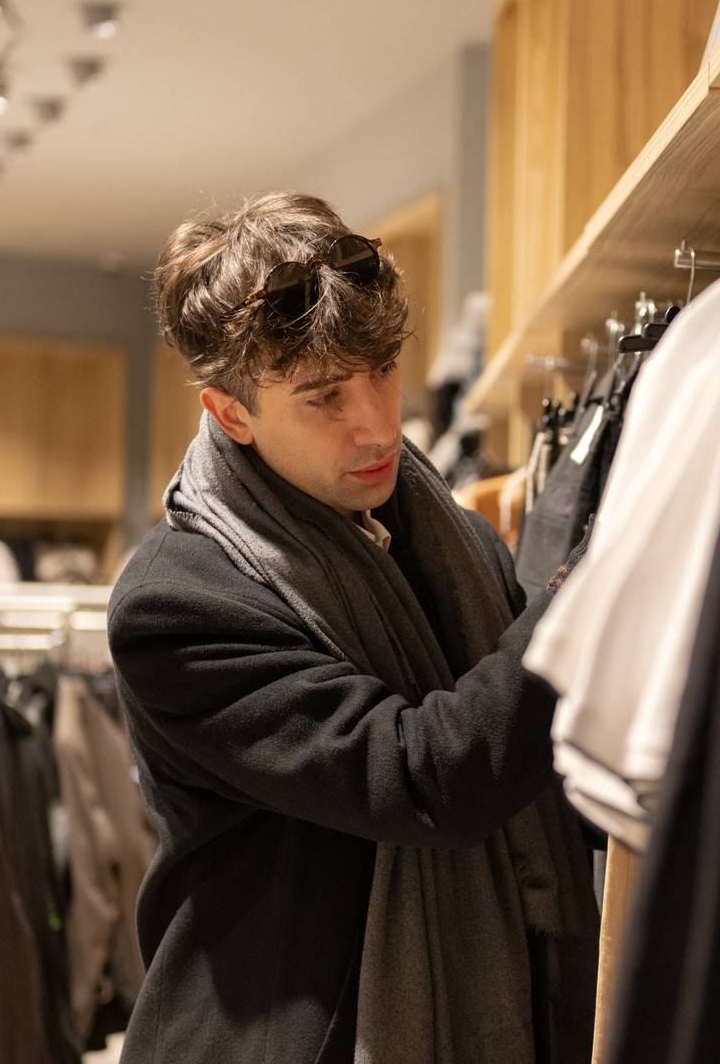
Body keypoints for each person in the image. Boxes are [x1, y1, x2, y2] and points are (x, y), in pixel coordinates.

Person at [107, 192, 599, 1064]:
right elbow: (421, 775)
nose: (375, 423)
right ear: (232, 414)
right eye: (323, 396)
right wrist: (600, 580)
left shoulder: (449, 533)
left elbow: (540, 753)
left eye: (382, 368)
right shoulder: (176, 605)